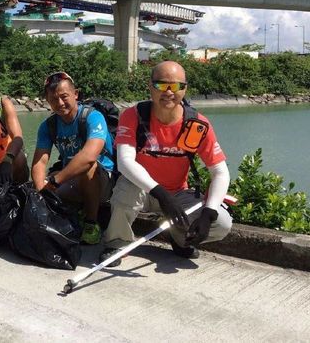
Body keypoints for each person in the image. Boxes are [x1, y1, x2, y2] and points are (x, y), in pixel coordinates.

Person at [99, 61, 232, 266]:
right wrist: (160, 193)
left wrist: (209, 212)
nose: (169, 92)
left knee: (221, 223)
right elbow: (125, 162)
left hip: (178, 193)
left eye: (177, 86)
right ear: (150, 86)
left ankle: (180, 239)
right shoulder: (133, 116)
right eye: (162, 85)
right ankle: (117, 243)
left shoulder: (197, 124)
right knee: (126, 190)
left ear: (185, 89)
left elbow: (220, 172)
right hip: (142, 190)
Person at [31, 72, 115, 245]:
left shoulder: (92, 117)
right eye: (54, 99)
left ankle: (91, 223)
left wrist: (54, 182)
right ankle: (71, 214)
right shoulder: (49, 126)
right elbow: (40, 161)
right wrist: (42, 192)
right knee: (36, 187)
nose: (60, 103)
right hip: (69, 179)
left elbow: (89, 156)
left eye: (64, 97)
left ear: (75, 94)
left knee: (88, 166)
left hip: (102, 180)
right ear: (47, 101)